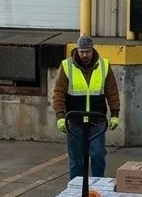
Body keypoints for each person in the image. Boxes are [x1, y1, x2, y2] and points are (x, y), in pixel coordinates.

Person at [50, 35, 121, 182]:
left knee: (98, 155)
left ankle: (97, 187)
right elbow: (58, 93)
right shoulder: (67, 66)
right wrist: (60, 117)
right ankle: (76, 190)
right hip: (75, 120)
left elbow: (112, 91)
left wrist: (115, 113)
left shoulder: (104, 65)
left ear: (92, 50)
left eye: (87, 51)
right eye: (82, 52)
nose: (84, 55)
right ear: (77, 50)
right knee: (76, 159)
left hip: (97, 119)